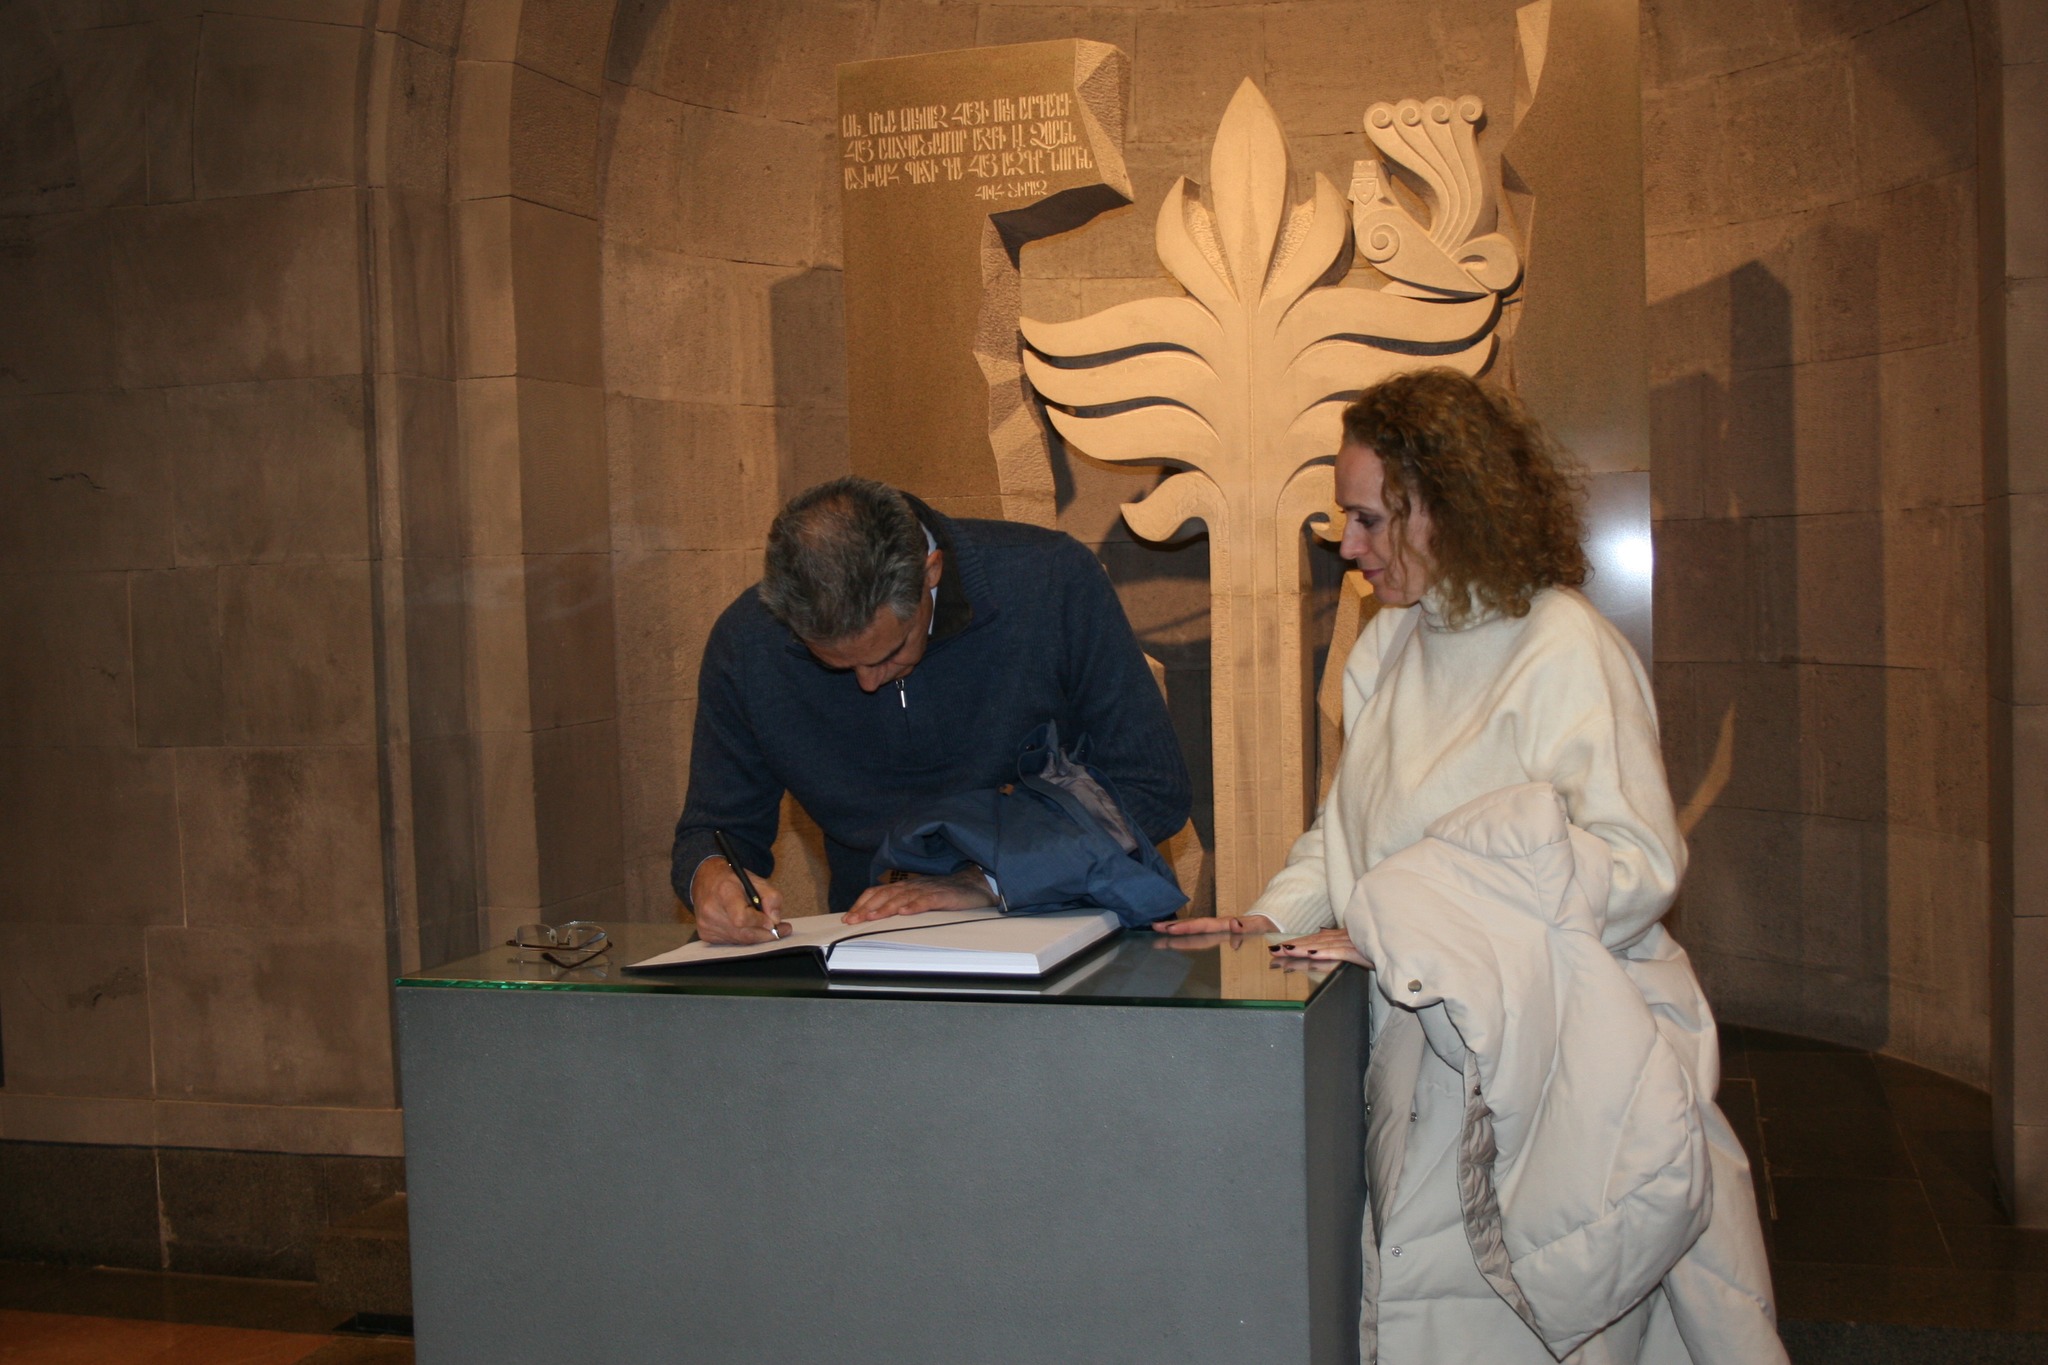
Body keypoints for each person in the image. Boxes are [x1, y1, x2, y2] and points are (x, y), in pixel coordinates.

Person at [1159, 369, 1783, 1362]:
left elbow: (1637, 864)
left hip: (1541, 1065)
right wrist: (1269, 919)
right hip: (1417, 1053)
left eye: (1369, 519)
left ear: (1445, 508)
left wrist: (1421, 929)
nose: (1346, 545)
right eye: (1346, 518)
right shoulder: (1386, 645)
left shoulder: (1561, 645)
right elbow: (1344, 831)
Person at [673, 476, 1192, 944]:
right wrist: (711, 877)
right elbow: (717, 827)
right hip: (874, 944)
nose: (868, 682)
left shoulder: (1051, 580)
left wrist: (987, 878)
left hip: (1076, 929)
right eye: (834, 664)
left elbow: (1152, 789)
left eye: (889, 652)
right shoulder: (749, 643)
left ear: (931, 573)